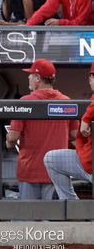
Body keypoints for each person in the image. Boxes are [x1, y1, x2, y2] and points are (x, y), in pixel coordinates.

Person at [5, 59, 77, 200]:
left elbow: (12, 137)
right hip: (57, 171)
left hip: (30, 170)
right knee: (52, 219)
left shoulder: (25, 101)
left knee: (30, 217)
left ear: (38, 78)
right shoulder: (66, 101)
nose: (28, 77)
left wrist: (9, 144)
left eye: (31, 74)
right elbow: (75, 135)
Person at [44, 63, 94, 200]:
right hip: (87, 163)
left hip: (89, 163)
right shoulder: (90, 102)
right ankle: (72, 206)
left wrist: (86, 119)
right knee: (51, 159)